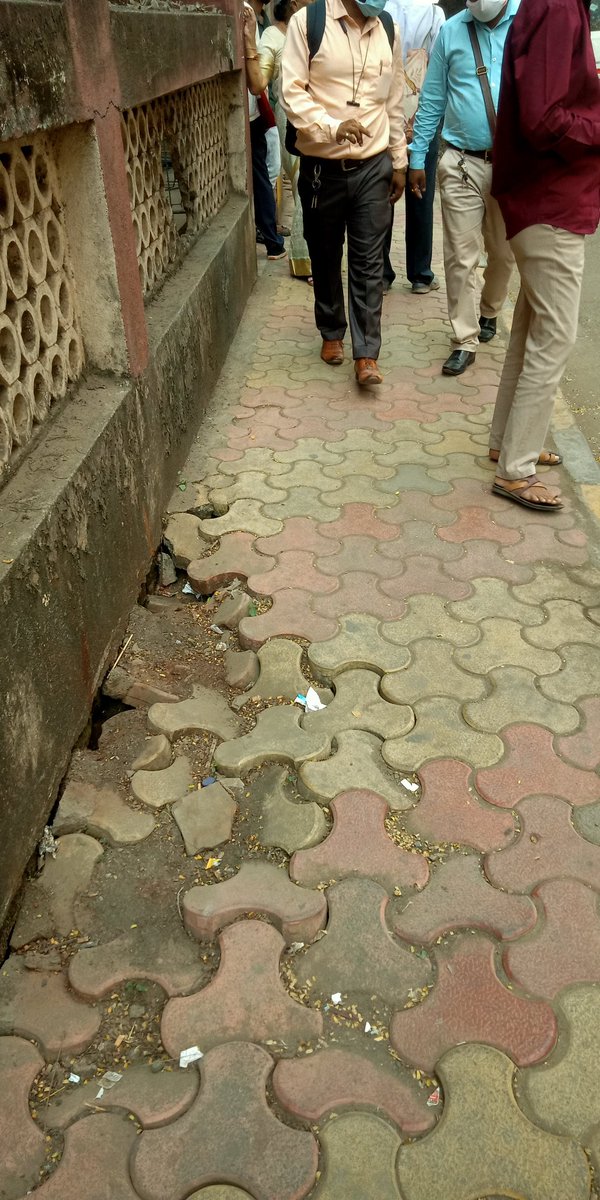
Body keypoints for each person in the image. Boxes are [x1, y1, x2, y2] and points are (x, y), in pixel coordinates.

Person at [489, 0, 600, 511]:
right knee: (554, 336)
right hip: (550, 200)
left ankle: (507, 444)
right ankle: (516, 469)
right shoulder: (558, 6)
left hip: (538, 198)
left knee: (532, 329)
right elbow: (546, 118)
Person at [281, 0, 407, 386]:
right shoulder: (308, 22)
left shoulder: (387, 27)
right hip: (323, 168)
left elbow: (394, 99)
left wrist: (399, 159)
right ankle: (332, 330)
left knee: (368, 261)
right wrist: (331, 125)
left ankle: (366, 353)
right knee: (324, 251)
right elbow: (290, 92)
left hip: (373, 166)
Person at [408, 0, 518, 375]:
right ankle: (464, 339)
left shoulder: (529, 24)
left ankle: (489, 311)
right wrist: (415, 158)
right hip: (460, 162)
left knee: (504, 256)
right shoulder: (451, 32)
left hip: (514, 167)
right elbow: (432, 99)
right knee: (460, 257)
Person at [382, 0, 445, 294]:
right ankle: (420, 274)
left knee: (382, 194)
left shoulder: (381, 8)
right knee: (421, 193)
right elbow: (438, 68)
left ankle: (381, 273)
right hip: (423, 116)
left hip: (385, 114)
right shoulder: (434, 13)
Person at [259, 0, 313, 280]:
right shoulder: (273, 36)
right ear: (293, 4)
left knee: (314, 186)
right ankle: (305, 258)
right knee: (306, 185)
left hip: (316, 118)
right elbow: (259, 83)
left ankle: (312, 255)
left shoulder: (311, 30)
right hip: (290, 119)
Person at [243, 5, 287, 261]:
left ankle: (271, 236)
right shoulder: (251, 15)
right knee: (264, 175)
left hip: (255, 109)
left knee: (266, 172)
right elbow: (259, 79)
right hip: (254, 107)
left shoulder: (254, 15)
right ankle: (271, 239)